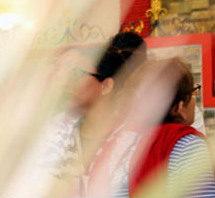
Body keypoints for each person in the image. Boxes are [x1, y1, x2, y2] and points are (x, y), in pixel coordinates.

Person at [41, 32, 146, 196]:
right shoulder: (57, 130)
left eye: (77, 75)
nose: (69, 82)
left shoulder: (132, 138)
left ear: (106, 86)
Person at [122, 58, 215, 198]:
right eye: (193, 93)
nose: (194, 101)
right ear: (179, 108)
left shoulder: (129, 143)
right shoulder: (188, 145)